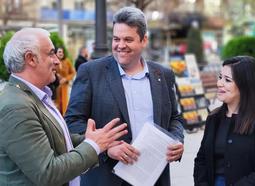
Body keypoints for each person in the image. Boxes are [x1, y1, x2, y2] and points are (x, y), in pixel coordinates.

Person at [65, 7, 185, 186]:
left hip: (153, 177)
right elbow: (73, 123)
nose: (120, 45)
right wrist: (105, 147)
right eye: (116, 39)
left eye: (128, 39)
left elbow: (175, 118)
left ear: (144, 40)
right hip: (106, 177)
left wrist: (177, 140)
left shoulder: (163, 74)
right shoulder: (91, 72)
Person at [0, 27, 128, 186]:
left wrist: (98, 141)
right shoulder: (16, 106)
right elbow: (48, 173)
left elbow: (56, 139)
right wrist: (93, 145)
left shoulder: (32, 96)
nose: (57, 61)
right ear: (30, 59)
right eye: (51, 53)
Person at [194, 56, 255, 186]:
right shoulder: (214, 118)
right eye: (220, 77)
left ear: (246, 85)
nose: (219, 83)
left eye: (227, 80)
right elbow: (201, 160)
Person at [55, 47, 76, 115]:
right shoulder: (54, 62)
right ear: (56, 53)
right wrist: (56, 75)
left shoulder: (67, 61)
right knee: (57, 104)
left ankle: (65, 119)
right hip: (56, 86)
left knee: (65, 103)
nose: (61, 53)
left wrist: (66, 79)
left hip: (65, 87)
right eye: (59, 52)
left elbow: (73, 72)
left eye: (62, 52)